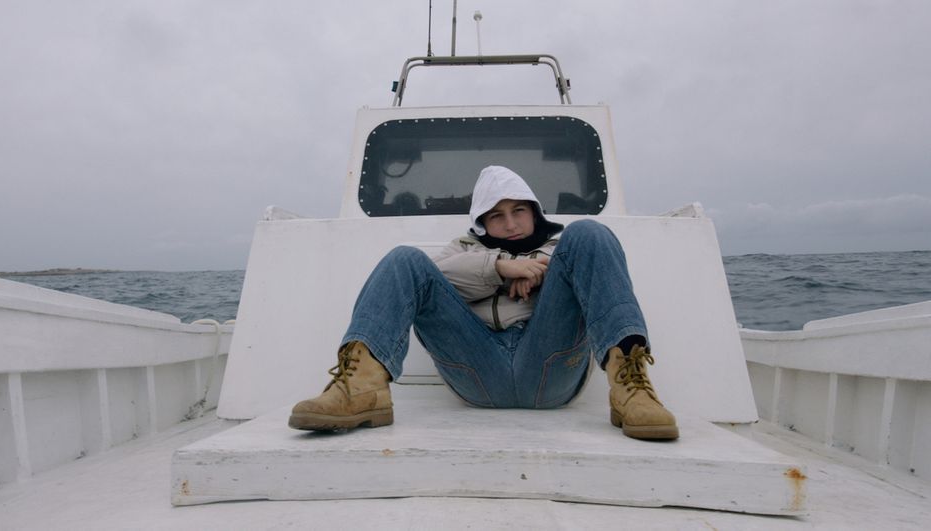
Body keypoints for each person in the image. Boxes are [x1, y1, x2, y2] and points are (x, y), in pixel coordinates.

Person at [288, 166, 678, 440]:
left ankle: (631, 389)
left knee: (591, 232)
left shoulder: (563, 247)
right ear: (482, 223)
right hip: (477, 369)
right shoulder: (462, 249)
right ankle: (361, 390)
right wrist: (503, 267)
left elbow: (576, 263)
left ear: (534, 211)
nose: (510, 224)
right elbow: (435, 274)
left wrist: (540, 268)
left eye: (518, 211)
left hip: (550, 365)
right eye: (497, 216)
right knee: (404, 259)